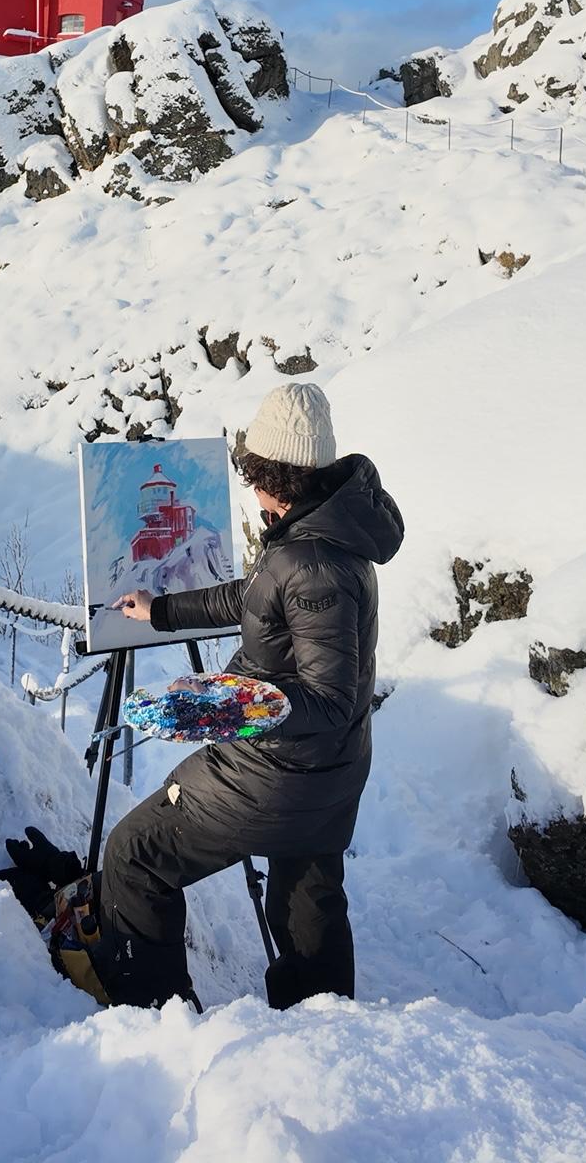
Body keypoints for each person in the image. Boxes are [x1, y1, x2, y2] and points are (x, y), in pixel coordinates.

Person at [96, 381, 404, 1011]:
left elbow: (328, 697)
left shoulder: (312, 559)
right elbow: (257, 597)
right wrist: (163, 611)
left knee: (134, 854)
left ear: (275, 475)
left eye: (255, 475)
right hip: (327, 772)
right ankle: (324, 1030)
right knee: (306, 901)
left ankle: (155, 1015)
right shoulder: (324, 536)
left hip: (273, 772)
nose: (250, 489)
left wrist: (230, 703)